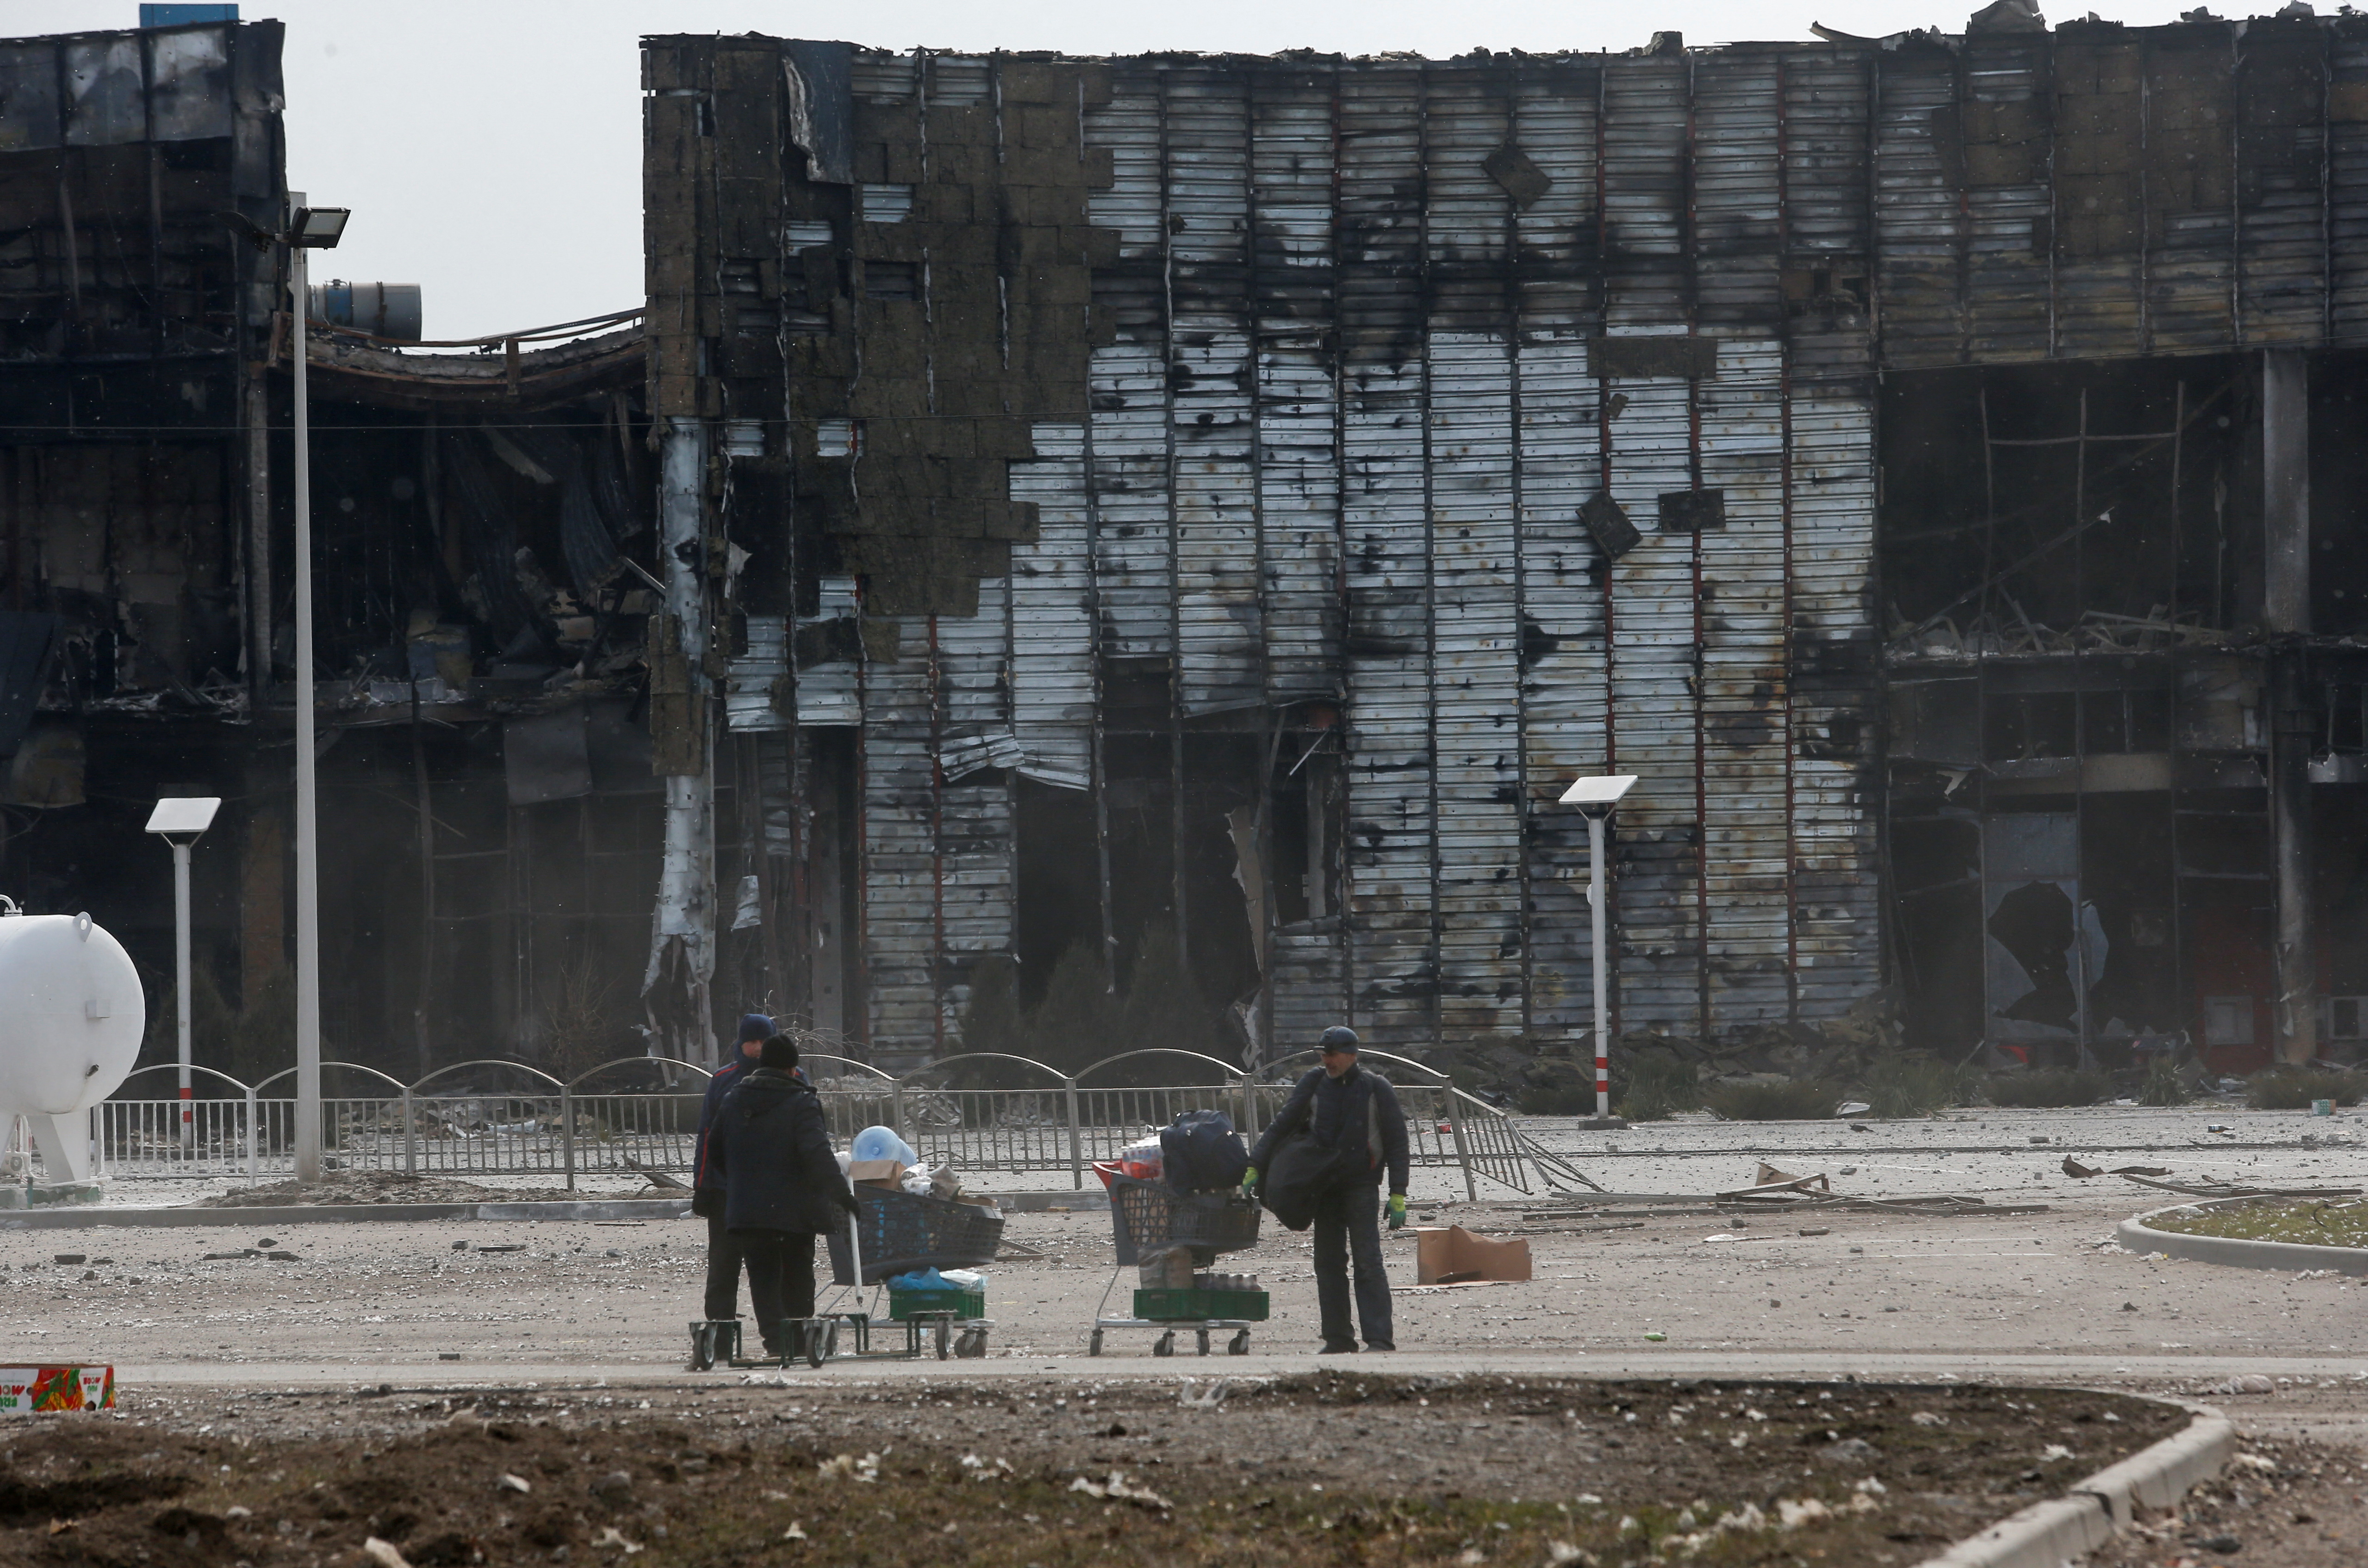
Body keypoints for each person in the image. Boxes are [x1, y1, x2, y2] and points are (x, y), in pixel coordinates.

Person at [1242, 1025, 1410, 1353]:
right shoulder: (1314, 1082)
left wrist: (1398, 1193)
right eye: (1323, 1054)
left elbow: (1397, 1143)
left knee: (1368, 1262)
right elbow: (1283, 1124)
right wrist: (1255, 1165)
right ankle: (1338, 1339)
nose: (1326, 1060)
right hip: (1324, 1186)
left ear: (1351, 1055)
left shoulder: (1376, 1088)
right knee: (1328, 1263)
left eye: (1331, 1054)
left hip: (1361, 1185)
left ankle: (1379, 1339)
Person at [706, 1033, 859, 1358]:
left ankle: (776, 1344)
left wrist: (740, 1181)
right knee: (798, 1274)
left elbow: (715, 1148)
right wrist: (842, 1196)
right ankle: (800, 1341)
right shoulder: (801, 1101)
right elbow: (817, 1153)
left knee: (762, 1277)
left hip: (748, 1209)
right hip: (795, 1209)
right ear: (792, 1069)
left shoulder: (733, 1098)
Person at [691, 1013, 774, 1335]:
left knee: (766, 1269)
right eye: (751, 1042)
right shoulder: (722, 1080)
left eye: (762, 1042)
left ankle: (775, 1336)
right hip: (725, 1192)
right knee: (723, 1267)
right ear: (741, 1044)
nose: (756, 1049)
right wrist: (702, 1187)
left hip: (769, 1194)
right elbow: (706, 1137)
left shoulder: (792, 1077)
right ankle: (720, 1334)